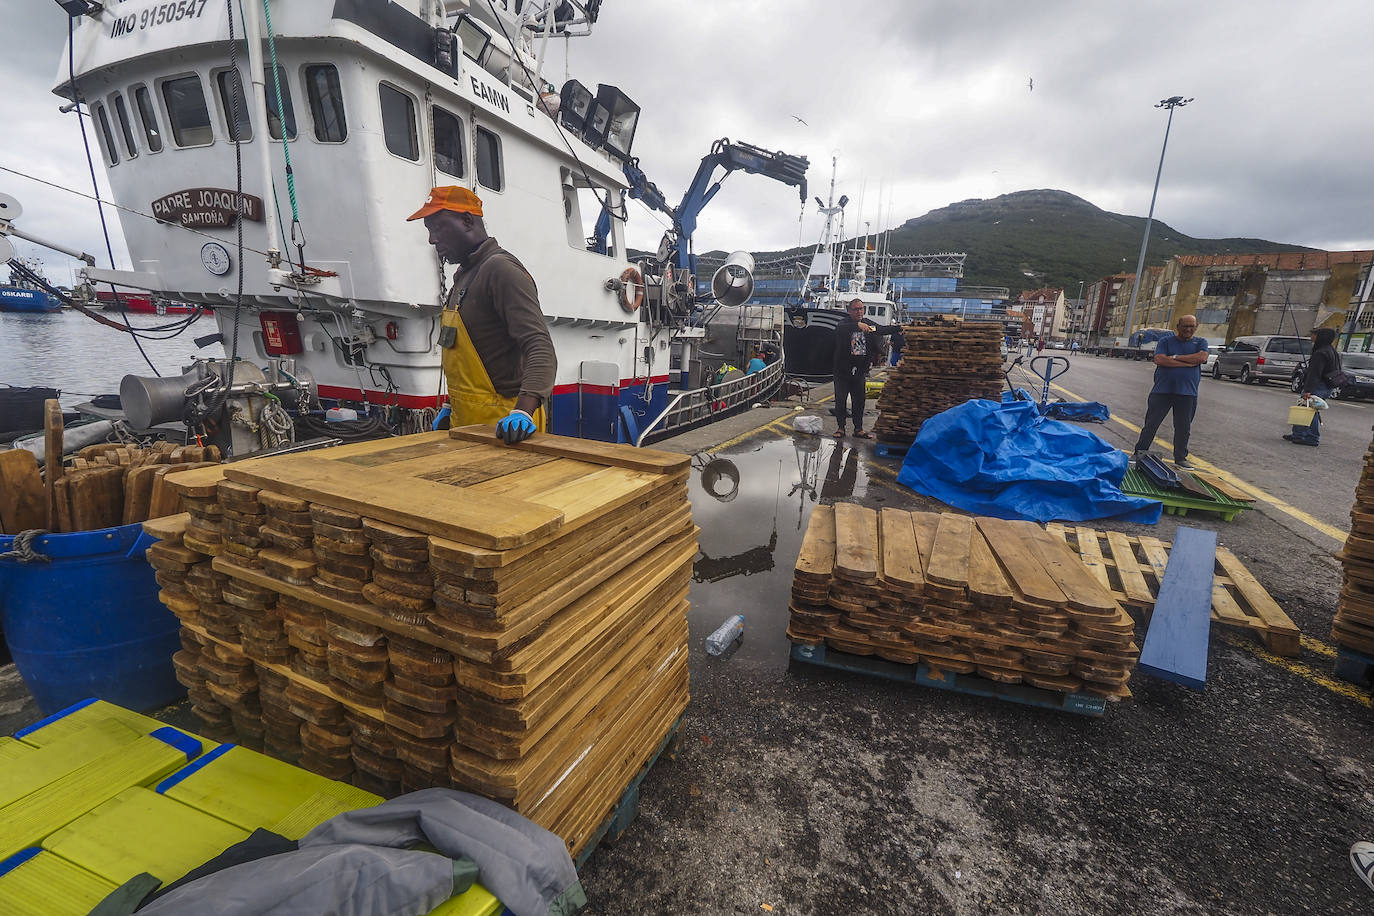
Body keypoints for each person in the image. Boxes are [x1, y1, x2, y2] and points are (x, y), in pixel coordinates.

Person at [408, 186, 556, 444]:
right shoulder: (464, 276)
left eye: (437, 228)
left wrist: (523, 412)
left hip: (505, 428)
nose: (432, 239)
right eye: (429, 231)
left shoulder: (501, 270)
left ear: (466, 220)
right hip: (467, 422)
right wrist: (450, 406)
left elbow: (540, 347)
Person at [1131, 315, 1208, 469]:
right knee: (1151, 424)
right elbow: (1159, 360)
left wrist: (1174, 358)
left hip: (1187, 393)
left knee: (1183, 427)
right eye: (1185, 326)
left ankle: (1180, 458)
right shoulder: (1165, 341)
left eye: (1191, 326)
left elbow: (1201, 357)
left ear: (1196, 326)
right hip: (1162, 391)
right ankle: (1139, 451)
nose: (1188, 329)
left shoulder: (1201, 342)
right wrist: (1187, 363)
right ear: (1178, 326)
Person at [832, 299, 900, 439]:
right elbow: (840, 329)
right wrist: (857, 325)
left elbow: (881, 330)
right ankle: (841, 427)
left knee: (859, 400)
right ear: (849, 311)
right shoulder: (844, 324)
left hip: (860, 370)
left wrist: (898, 328)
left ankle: (858, 429)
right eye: (856, 309)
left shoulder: (868, 324)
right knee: (841, 400)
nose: (859, 312)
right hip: (842, 370)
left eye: (861, 309)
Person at [1286, 327, 1341, 447]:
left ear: (1320, 337)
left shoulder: (1320, 353)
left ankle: (1311, 437)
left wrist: (1308, 390)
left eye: (1314, 335)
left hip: (1318, 385)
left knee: (1310, 410)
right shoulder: (1331, 351)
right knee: (1306, 408)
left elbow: (1315, 373)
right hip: (1327, 385)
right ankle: (1298, 433)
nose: (1312, 337)